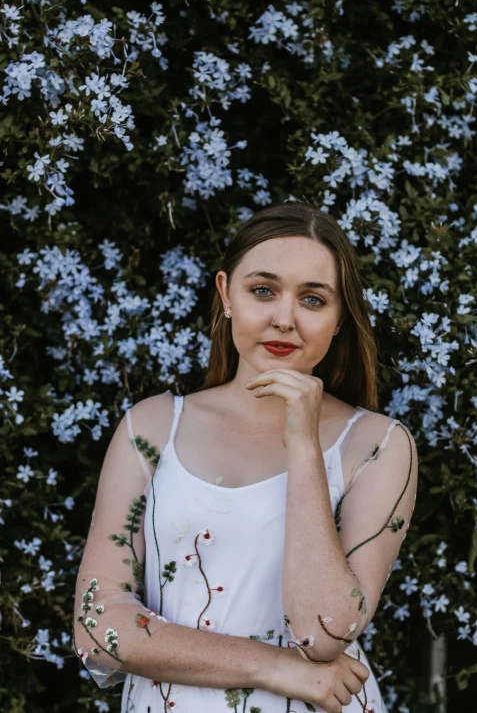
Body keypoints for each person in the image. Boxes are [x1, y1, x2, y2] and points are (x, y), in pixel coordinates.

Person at [73, 201, 418, 713]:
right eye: (263, 291)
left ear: (341, 317)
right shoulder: (149, 430)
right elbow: (97, 624)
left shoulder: (380, 446)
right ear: (225, 294)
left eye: (314, 299)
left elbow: (323, 635)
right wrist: (273, 667)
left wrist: (302, 442)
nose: (284, 318)